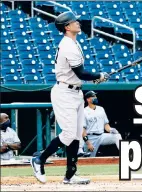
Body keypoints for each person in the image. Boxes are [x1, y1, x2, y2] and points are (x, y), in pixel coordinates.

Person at [30, 11, 109, 185]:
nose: (78, 23)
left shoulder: (74, 43)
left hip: (75, 91)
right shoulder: (68, 45)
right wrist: (98, 75)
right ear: (67, 27)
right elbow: (80, 72)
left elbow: (79, 74)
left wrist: (94, 77)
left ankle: (70, 175)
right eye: (74, 22)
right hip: (64, 93)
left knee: (75, 136)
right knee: (68, 134)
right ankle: (39, 160)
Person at [79, 91, 122, 157]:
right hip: (90, 138)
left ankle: (125, 155)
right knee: (89, 160)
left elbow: (106, 125)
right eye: (93, 96)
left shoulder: (101, 109)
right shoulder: (84, 111)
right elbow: (83, 131)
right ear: (88, 99)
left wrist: (111, 130)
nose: (95, 98)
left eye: (95, 96)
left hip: (101, 136)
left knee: (117, 136)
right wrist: (88, 143)